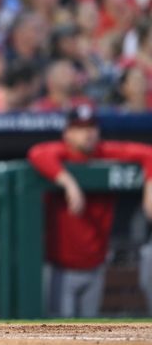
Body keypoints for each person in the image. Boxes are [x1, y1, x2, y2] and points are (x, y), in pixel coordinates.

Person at [27, 105, 152, 318]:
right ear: (67, 132)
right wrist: (68, 182)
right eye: (79, 128)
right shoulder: (61, 152)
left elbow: (148, 153)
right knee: (60, 334)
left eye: (91, 127)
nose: (87, 133)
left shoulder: (104, 152)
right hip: (61, 270)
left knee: (90, 332)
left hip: (96, 267)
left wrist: (149, 186)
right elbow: (37, 153)